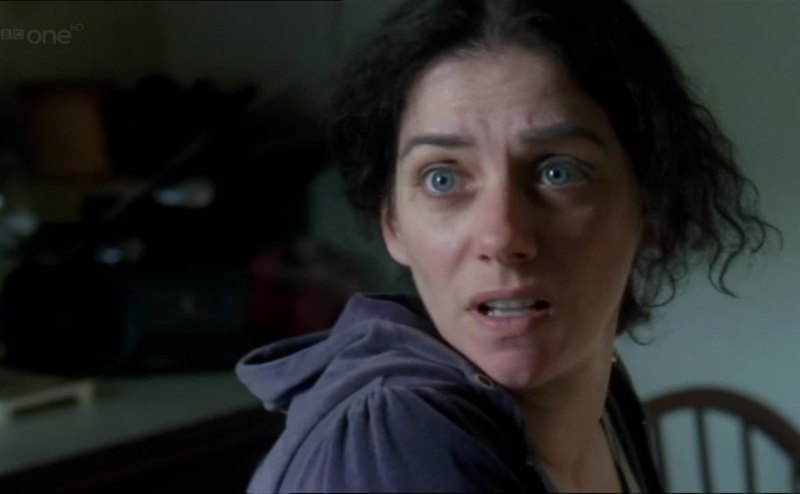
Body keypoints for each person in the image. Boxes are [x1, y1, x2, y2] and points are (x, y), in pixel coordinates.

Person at [237, 0, 777, 492]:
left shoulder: (600, 391)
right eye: (443, 179)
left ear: (655, 203)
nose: (502, 237)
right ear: (393, 224)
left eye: (559, 172)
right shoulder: (400, 439)